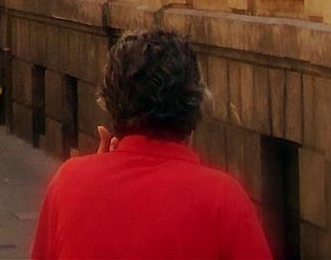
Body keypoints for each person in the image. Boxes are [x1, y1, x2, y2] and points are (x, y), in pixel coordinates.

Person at [28, 29, 270, 260]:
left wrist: (91, 181)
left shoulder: (68, 182)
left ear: (110, 102)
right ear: (194, 104)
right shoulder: (223, 199)